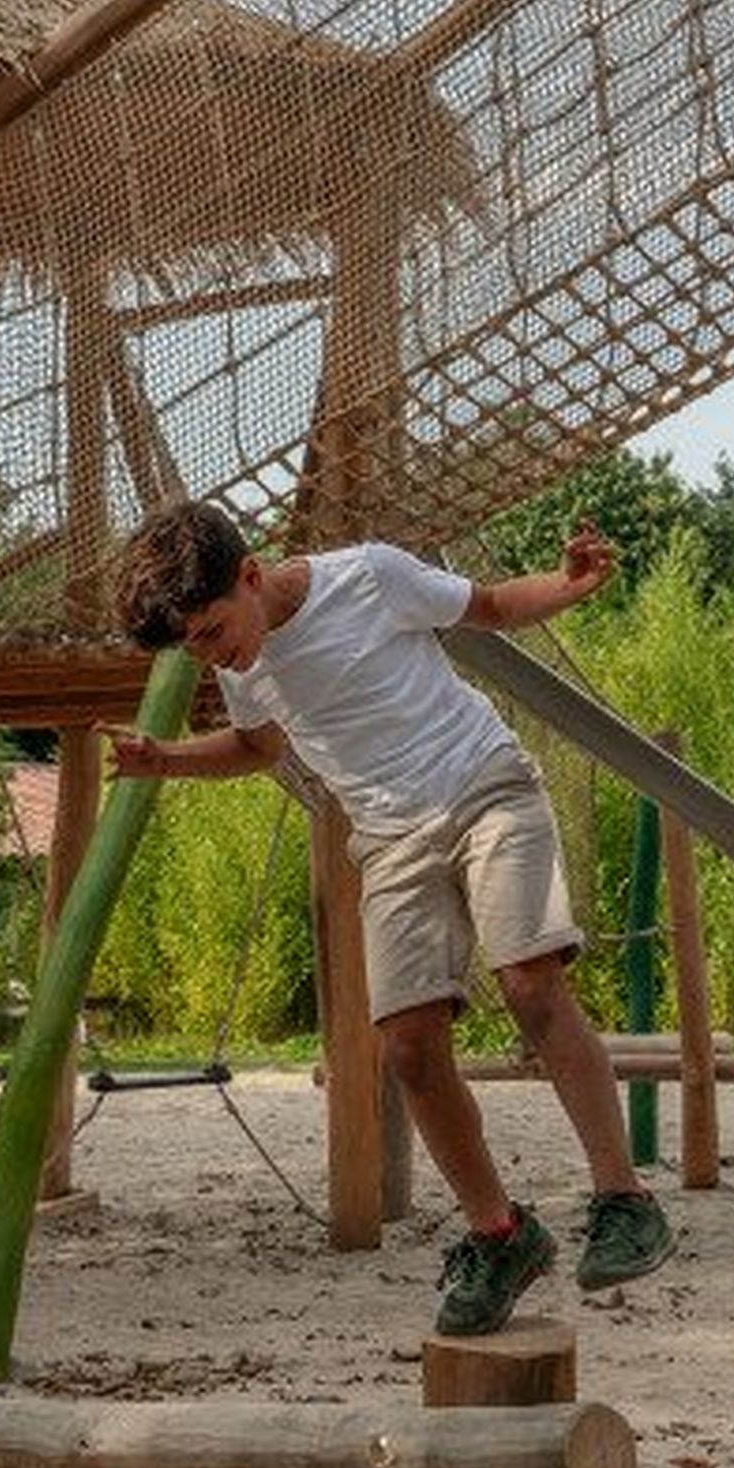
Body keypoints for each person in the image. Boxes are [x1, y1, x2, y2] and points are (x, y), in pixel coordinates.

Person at [105, 500, 671, 1335]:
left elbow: (484, 607)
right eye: (193, 645)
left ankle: (624, 1199)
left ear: (252, 576)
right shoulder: (237, 660)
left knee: (529, 981)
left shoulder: (369, 575)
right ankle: (500, 1234)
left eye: (213, 631)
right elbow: (259, 749)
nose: (209, 654)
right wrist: (167, 760)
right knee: (407, 1045)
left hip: (484, 785)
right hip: (391, 836)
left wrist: (568, 583)